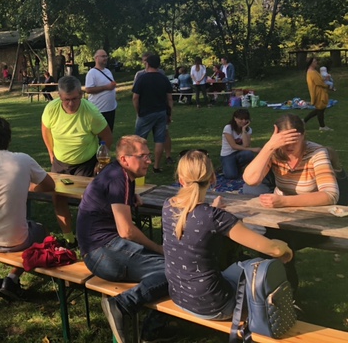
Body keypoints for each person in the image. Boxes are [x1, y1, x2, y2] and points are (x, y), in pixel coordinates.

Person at [163, 150, 292, 321]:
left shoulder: (168, 206)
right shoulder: (215, 218)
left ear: (181, 180)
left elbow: (193, 217)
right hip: (215, 306)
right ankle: (281, 315)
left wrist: (212, 209)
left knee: (238, 267)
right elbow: (273, 249)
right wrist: (286, 249)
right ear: (213, 178)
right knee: (261, 266)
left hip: (180, 297)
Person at [77, 135, 171, 343]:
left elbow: (106, 197)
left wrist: (129, 197)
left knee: (170, 269)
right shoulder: (118, 179)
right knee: (176, 270)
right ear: (124, 159)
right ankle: (123, 304)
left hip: (96, 249)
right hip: (103, 253)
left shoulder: (118, 173)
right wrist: (157, 248)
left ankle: (150, 331)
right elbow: (127, 231)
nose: (149, 160)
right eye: (142, 156)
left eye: (148, 155)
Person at [243, 113, 339, 293]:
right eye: (283, 142)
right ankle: (269, 292)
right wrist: (270, 146)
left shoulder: (317, 153)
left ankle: (285, 294)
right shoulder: (276, 151)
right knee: (266, 242)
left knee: (277, 244)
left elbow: (330, 195)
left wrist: (285, 201)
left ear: (303, 135)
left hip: (315, 221)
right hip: (281, 219)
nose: (288, 147)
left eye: (293, 142)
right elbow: (250, 179)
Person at [0, 117, 55, 300]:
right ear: (9, 139)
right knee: (44, 233)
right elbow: (50, 185)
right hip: (17, 240)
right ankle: (12, 277)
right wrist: (29, 187)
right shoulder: (23, 160)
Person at [42, 76, 112, 246]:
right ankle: (69, 238)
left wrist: (100, 161)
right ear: (59, 96)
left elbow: (107, 137)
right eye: (66, 100)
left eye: (75, 99)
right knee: (58, 198)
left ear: (81, 94)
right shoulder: (51, 109)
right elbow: (45, 130)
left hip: (86, 162)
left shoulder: (91, 112)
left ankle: (87, 236)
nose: (71, 104)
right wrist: (51, 152)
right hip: (60, 161)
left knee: (88, 202)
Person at [132, 54, 173, 173]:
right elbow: (170, 98)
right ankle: (156, 166)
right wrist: (169, 113)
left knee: (139, 140)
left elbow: (135, 98)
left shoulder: (142, 78)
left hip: (146, 113)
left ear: (148, 64)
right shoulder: (163, 78)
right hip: (161, 112)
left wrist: (138, 111)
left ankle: (137, 165)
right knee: (159, 140)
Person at [220, 108, 260, 179]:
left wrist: (244, 130)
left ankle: (237, 166)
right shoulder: (228, 128)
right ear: (235, 118)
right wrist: (252, 149)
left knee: (248, 154)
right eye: (241, 119)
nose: (244, 121)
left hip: (240, 153)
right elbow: (233, 146)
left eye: (246, 119)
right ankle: (226, 167)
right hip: (228, 154)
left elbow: (246, 145)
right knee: (231, 176)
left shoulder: (248, 129)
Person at [85, 49, 118, 131]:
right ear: (96, 58)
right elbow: (88, 90)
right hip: (99, 110)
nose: (105, 58)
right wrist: (106, 87)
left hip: (110, 108)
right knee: (99, 133)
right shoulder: (92, 73)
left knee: (109, 132)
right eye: (103, 56)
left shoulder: (108, 71)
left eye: (106, 56)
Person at [303, 57, 332, 131]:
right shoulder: (312, 72)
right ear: (311, 63)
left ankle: (304, 121)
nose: (316, 63)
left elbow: (320, 80)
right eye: (315, 61)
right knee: (320, 109)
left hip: (319, 91)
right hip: (318, 92)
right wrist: (328, 85)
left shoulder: (313, 71)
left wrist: (326, 78)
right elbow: (319, 83)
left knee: (320, 109)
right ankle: (322, 126)